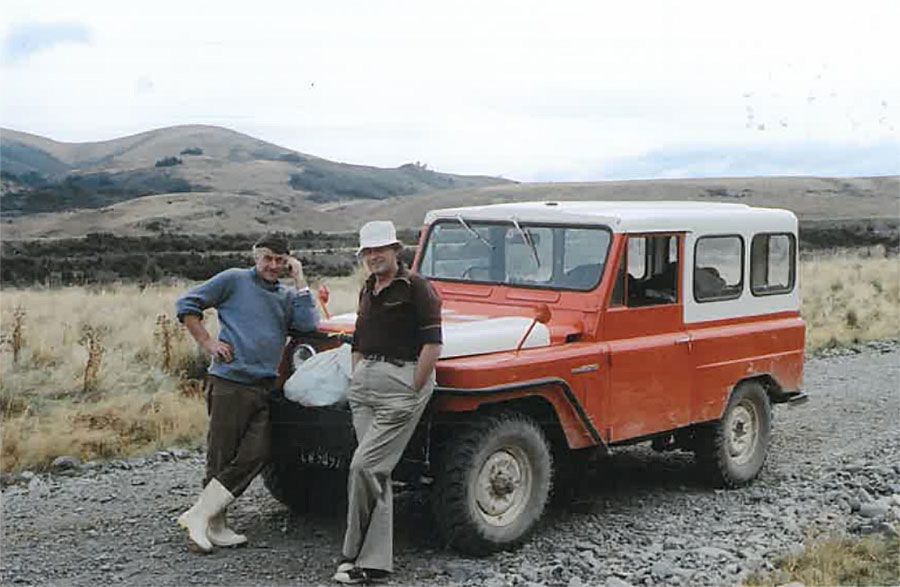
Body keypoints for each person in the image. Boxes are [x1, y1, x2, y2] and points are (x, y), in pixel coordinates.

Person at [175, 233, 319, 553]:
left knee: (259, 451)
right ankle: (214, 524)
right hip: (230, 382)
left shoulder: (284, 295)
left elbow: (308, 325)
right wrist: (209, 343)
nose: (272, 265)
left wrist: (300, 280)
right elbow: (187, 305)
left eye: (280, 260)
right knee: (221, 454)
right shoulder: (234, 280)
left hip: (264, 386)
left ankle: (200, 515)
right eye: (267, 258)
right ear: (255, 256)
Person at [333, 220, 443, 584]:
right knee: (374, 470)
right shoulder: (369, 287)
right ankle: (374, 563)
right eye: (368, 251)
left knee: (364, 467)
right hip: (365, 386)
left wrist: (414, 386)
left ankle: (351, 553)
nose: (374, 257)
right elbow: (360, 336)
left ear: (396, 251)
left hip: (401, 384)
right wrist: (357, 375)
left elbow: (432, 343)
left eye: (381, 249)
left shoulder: (416, 288)